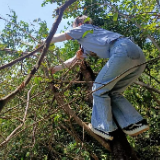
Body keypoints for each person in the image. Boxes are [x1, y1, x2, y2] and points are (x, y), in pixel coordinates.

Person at [48, 15, 149, 140]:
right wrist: (55, 69)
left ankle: (104, 127)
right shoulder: (90, 40)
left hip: (122, 49)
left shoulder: (84, 27)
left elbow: (62, 36)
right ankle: (134, 123)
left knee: (98, 89)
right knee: (113, 92)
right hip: (138, 57)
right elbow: (73, 61)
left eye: (73, 27)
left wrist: (43, 42)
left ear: (78, 24)